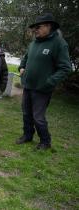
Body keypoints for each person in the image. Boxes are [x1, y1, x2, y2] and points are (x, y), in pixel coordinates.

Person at [16, 13, 72, 149]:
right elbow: (26, 58)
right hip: (28, 85)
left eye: (38, 27)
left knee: (38, 117)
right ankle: (27, 135)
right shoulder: (34, 43)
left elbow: (65, 68)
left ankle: (45, 141)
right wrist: (22, 67)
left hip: (42, 89)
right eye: (34, 27)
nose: (35, 30)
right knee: (26, 113)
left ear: (49, 26)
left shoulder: (59, 43)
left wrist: (50, 81)